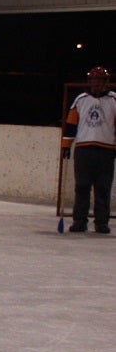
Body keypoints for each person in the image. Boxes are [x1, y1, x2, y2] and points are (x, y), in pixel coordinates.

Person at [61, 66, 115, 234]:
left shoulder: (114, 100)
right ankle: (79, 221)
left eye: (98, 80)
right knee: (82, 186)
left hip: (106, 149)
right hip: (84, 149)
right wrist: (66, 145)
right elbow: (70, 125)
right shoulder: (81, 99)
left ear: (105, 82)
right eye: (92, 80)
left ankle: (101, 223)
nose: (95, 83)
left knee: (103, 187)